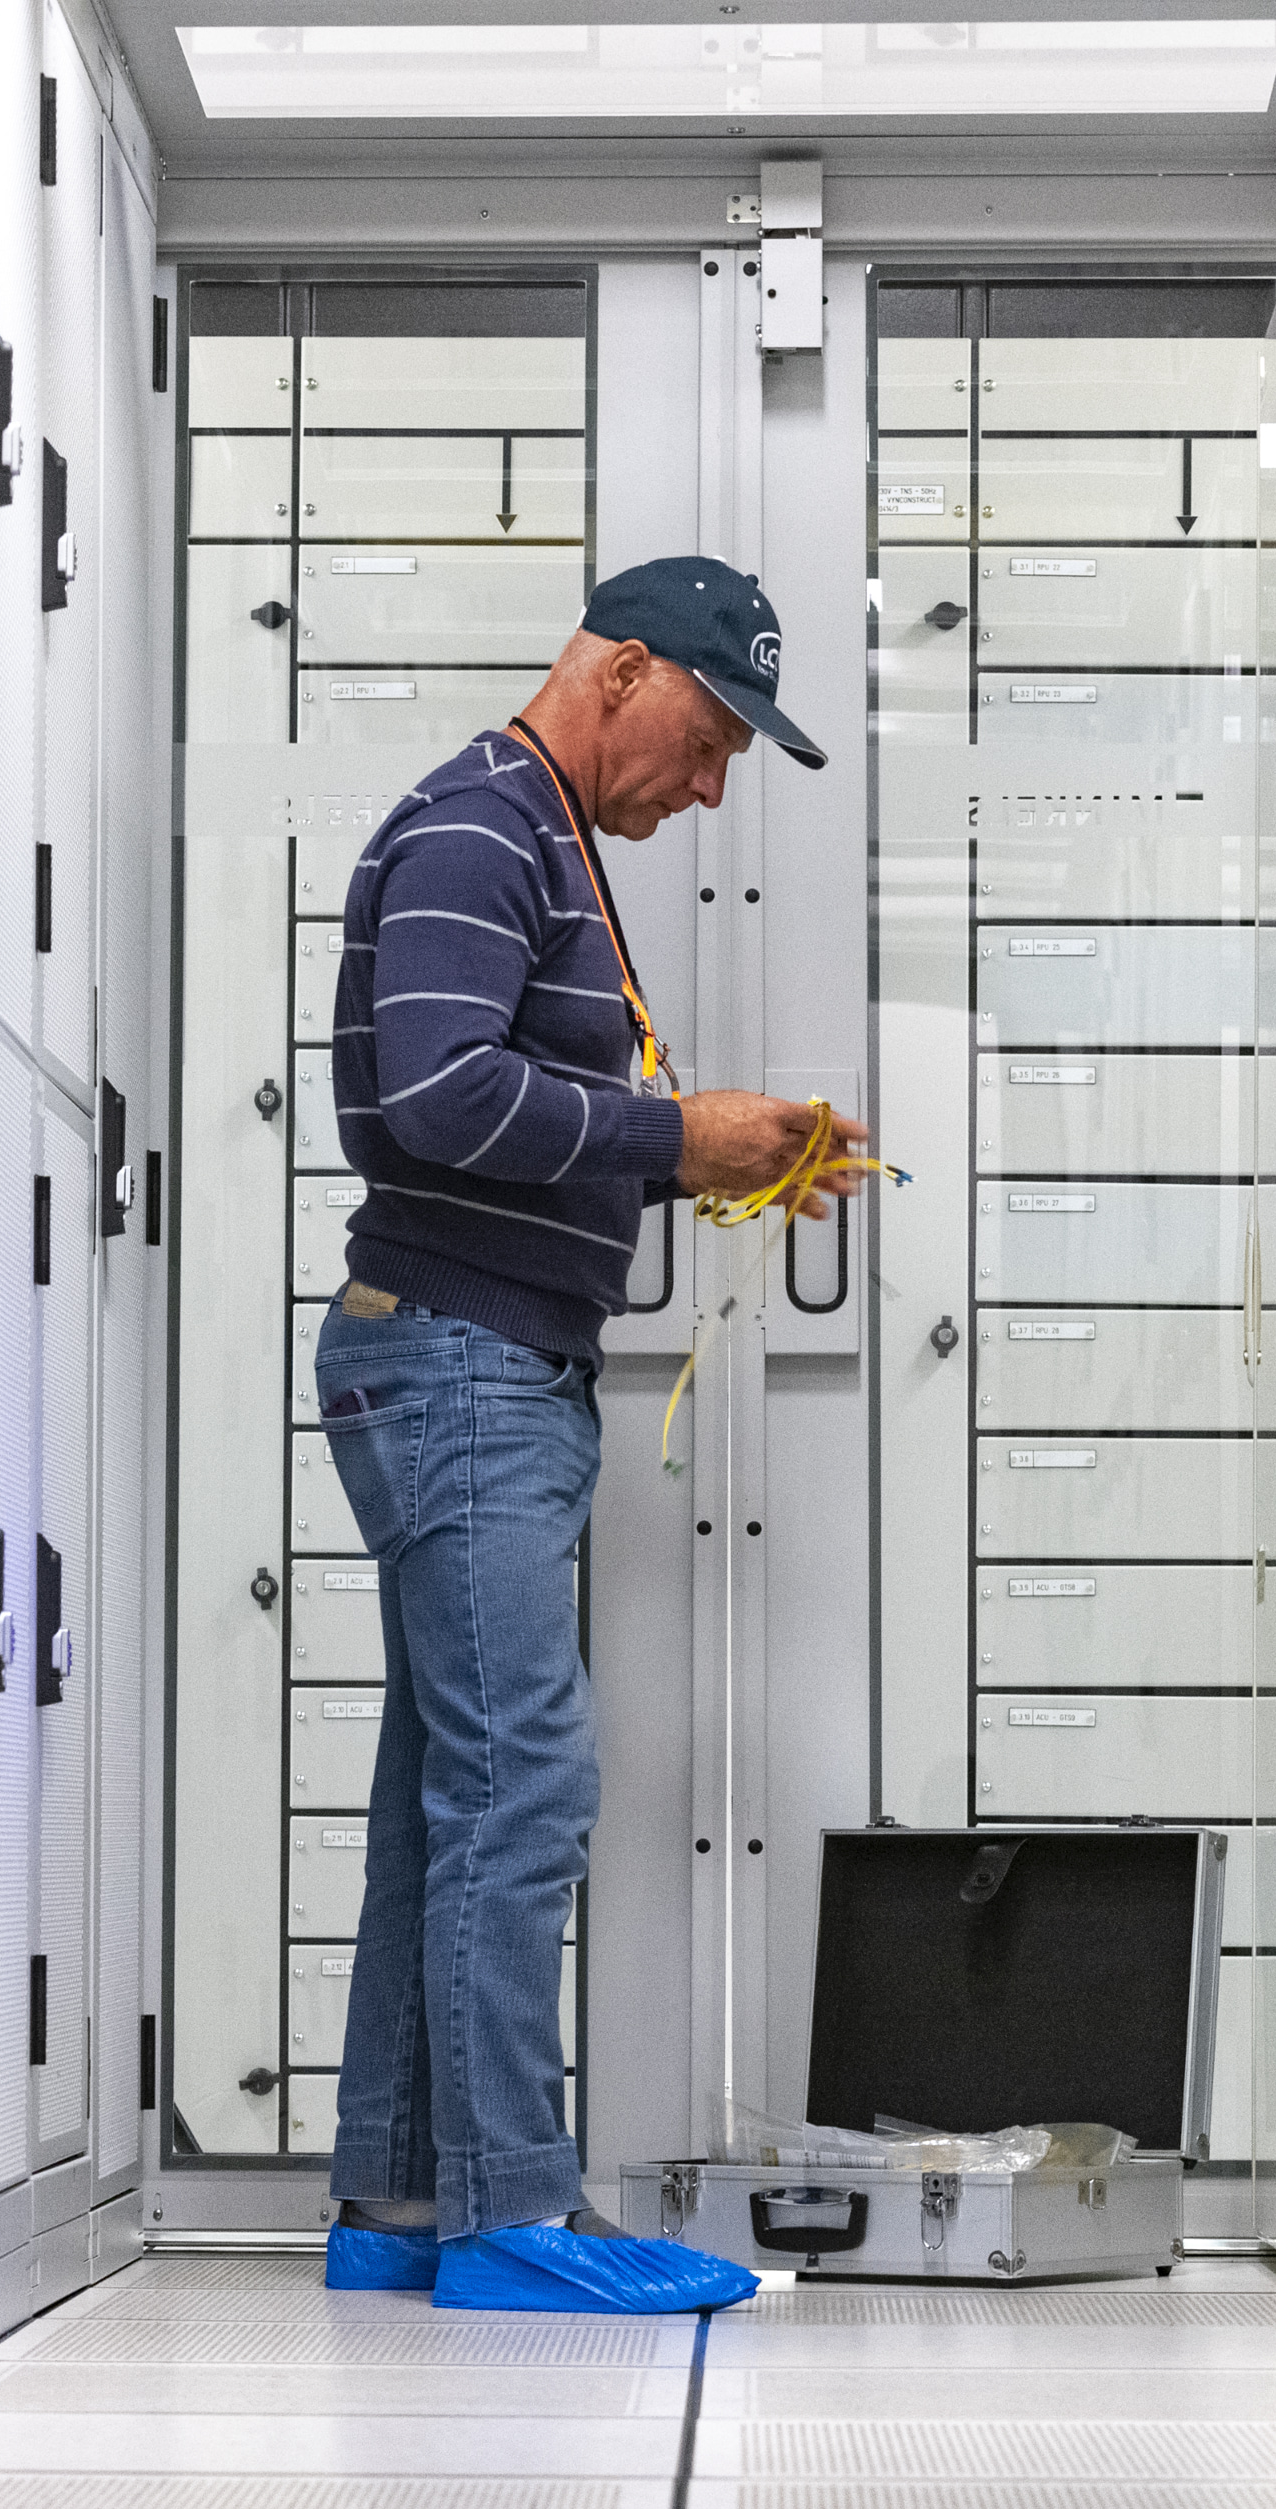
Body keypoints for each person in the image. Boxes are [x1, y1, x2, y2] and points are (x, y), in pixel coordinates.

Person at [310, 556, 870, 2314]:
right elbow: (432, 1089)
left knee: (445, 1793)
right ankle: (507, 2219)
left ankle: (400, 2211)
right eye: (706, 744)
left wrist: (716, 1144)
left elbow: (497, 1092)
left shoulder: (537, 834)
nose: (706, 792)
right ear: (621, 672)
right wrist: (668, 1138)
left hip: (487, 1364)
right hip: (461, 1369)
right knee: (523, 1781)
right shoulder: (486, 826)